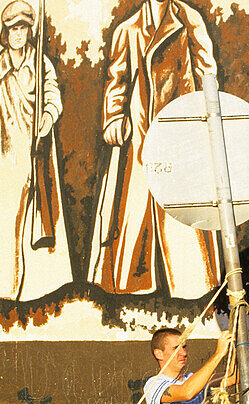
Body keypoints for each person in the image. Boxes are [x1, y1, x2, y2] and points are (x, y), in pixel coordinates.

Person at [86, 0, 222, 299]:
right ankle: (131, 283)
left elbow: (207, 72)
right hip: (140, 125)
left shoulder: (189, 20)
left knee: (181, 205)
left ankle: (192, 283)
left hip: (180, 121)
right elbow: (117, 80)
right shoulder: (128, 29)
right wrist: (113, 117)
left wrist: (208, 117)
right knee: (135, 206)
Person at [0, 0, 73, 301]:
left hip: (40, 151)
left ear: (30, 31)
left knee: (43, 214)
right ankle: (2, 288)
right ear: (5, 33)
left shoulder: (41, 63)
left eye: (23, 28)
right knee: (7, 217)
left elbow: (53, 97)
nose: (18, 34)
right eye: (13, 29)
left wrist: (46, 121)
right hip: (7, 155)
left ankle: (44, 288)